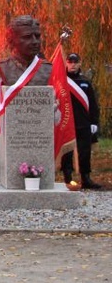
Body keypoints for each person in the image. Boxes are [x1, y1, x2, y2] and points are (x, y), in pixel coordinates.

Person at [63, 53, 102, 189]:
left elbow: (93, 103)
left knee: (84, 152)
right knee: (67, 153)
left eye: (75, 62)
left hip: (83, 124)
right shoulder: (61, 81)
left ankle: (86, 179)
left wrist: (94, 122)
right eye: (70, 62)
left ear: (80, 63)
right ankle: (67, 178)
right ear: (66, 63)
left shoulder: (85, 81)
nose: (73, 65)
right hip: (66, 123)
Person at [0, 15, 52, 86]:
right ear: (11, 40)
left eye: (37, 36)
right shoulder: (0, 69)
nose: (35, 41)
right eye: (27, 37)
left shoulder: (50, 70)